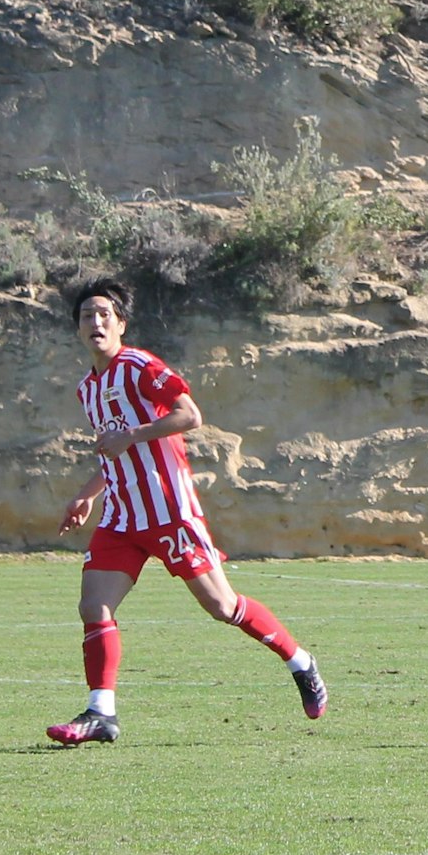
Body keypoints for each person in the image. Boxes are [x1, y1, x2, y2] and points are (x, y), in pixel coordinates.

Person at [47, 278, 327, 745]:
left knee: (223, 606)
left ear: (120, 324)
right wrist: (89, 492)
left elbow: (189, 415)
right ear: (77, 328)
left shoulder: (139, 366)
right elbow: (113, 450)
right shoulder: (88, 389)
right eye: (85, 316)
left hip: (169, 510)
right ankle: (101, 713)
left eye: (103, 314)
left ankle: (301, 662)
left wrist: (132, 436)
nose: (94, 322)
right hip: (121, 516)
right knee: (93, 606)